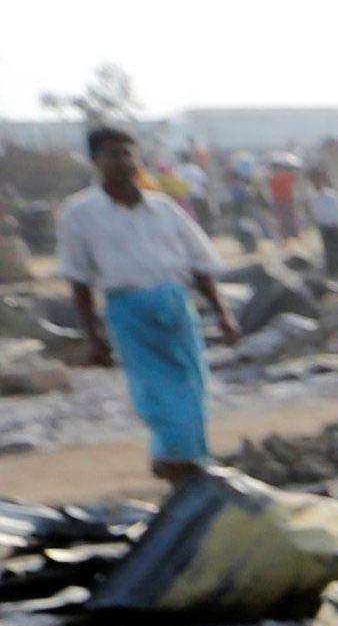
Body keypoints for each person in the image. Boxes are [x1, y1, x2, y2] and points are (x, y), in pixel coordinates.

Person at [57, 126, 240, 485]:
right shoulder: (80, 213)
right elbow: (78, 279)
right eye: (113, 154)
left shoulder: (163, 208)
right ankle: (179, 462)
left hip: (173, 302)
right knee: (154, 390)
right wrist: (93, 336)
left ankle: (184, 458)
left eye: (128, 153)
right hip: (127, 309)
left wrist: (223, 313)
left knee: (191, 384)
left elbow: (200, 263)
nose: (123, 161)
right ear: (96, 161)